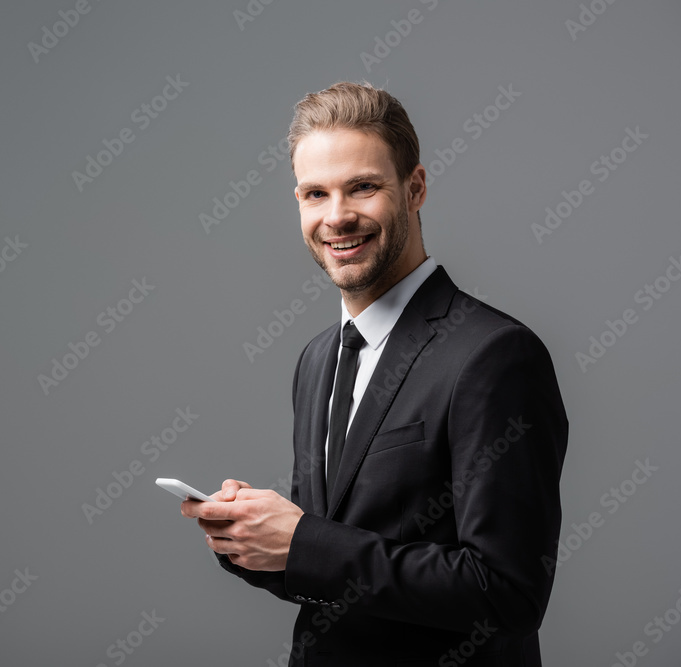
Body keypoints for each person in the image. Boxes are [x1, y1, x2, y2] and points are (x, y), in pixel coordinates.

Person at [180, 81, 568, 666]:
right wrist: (251, 538)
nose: (337, 217)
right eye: (315, 194)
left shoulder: (496, 355)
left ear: (415, 188)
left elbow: (509, 593)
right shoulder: (318, 360)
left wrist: (304, 540)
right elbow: (335, 569)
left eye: (362, 187)